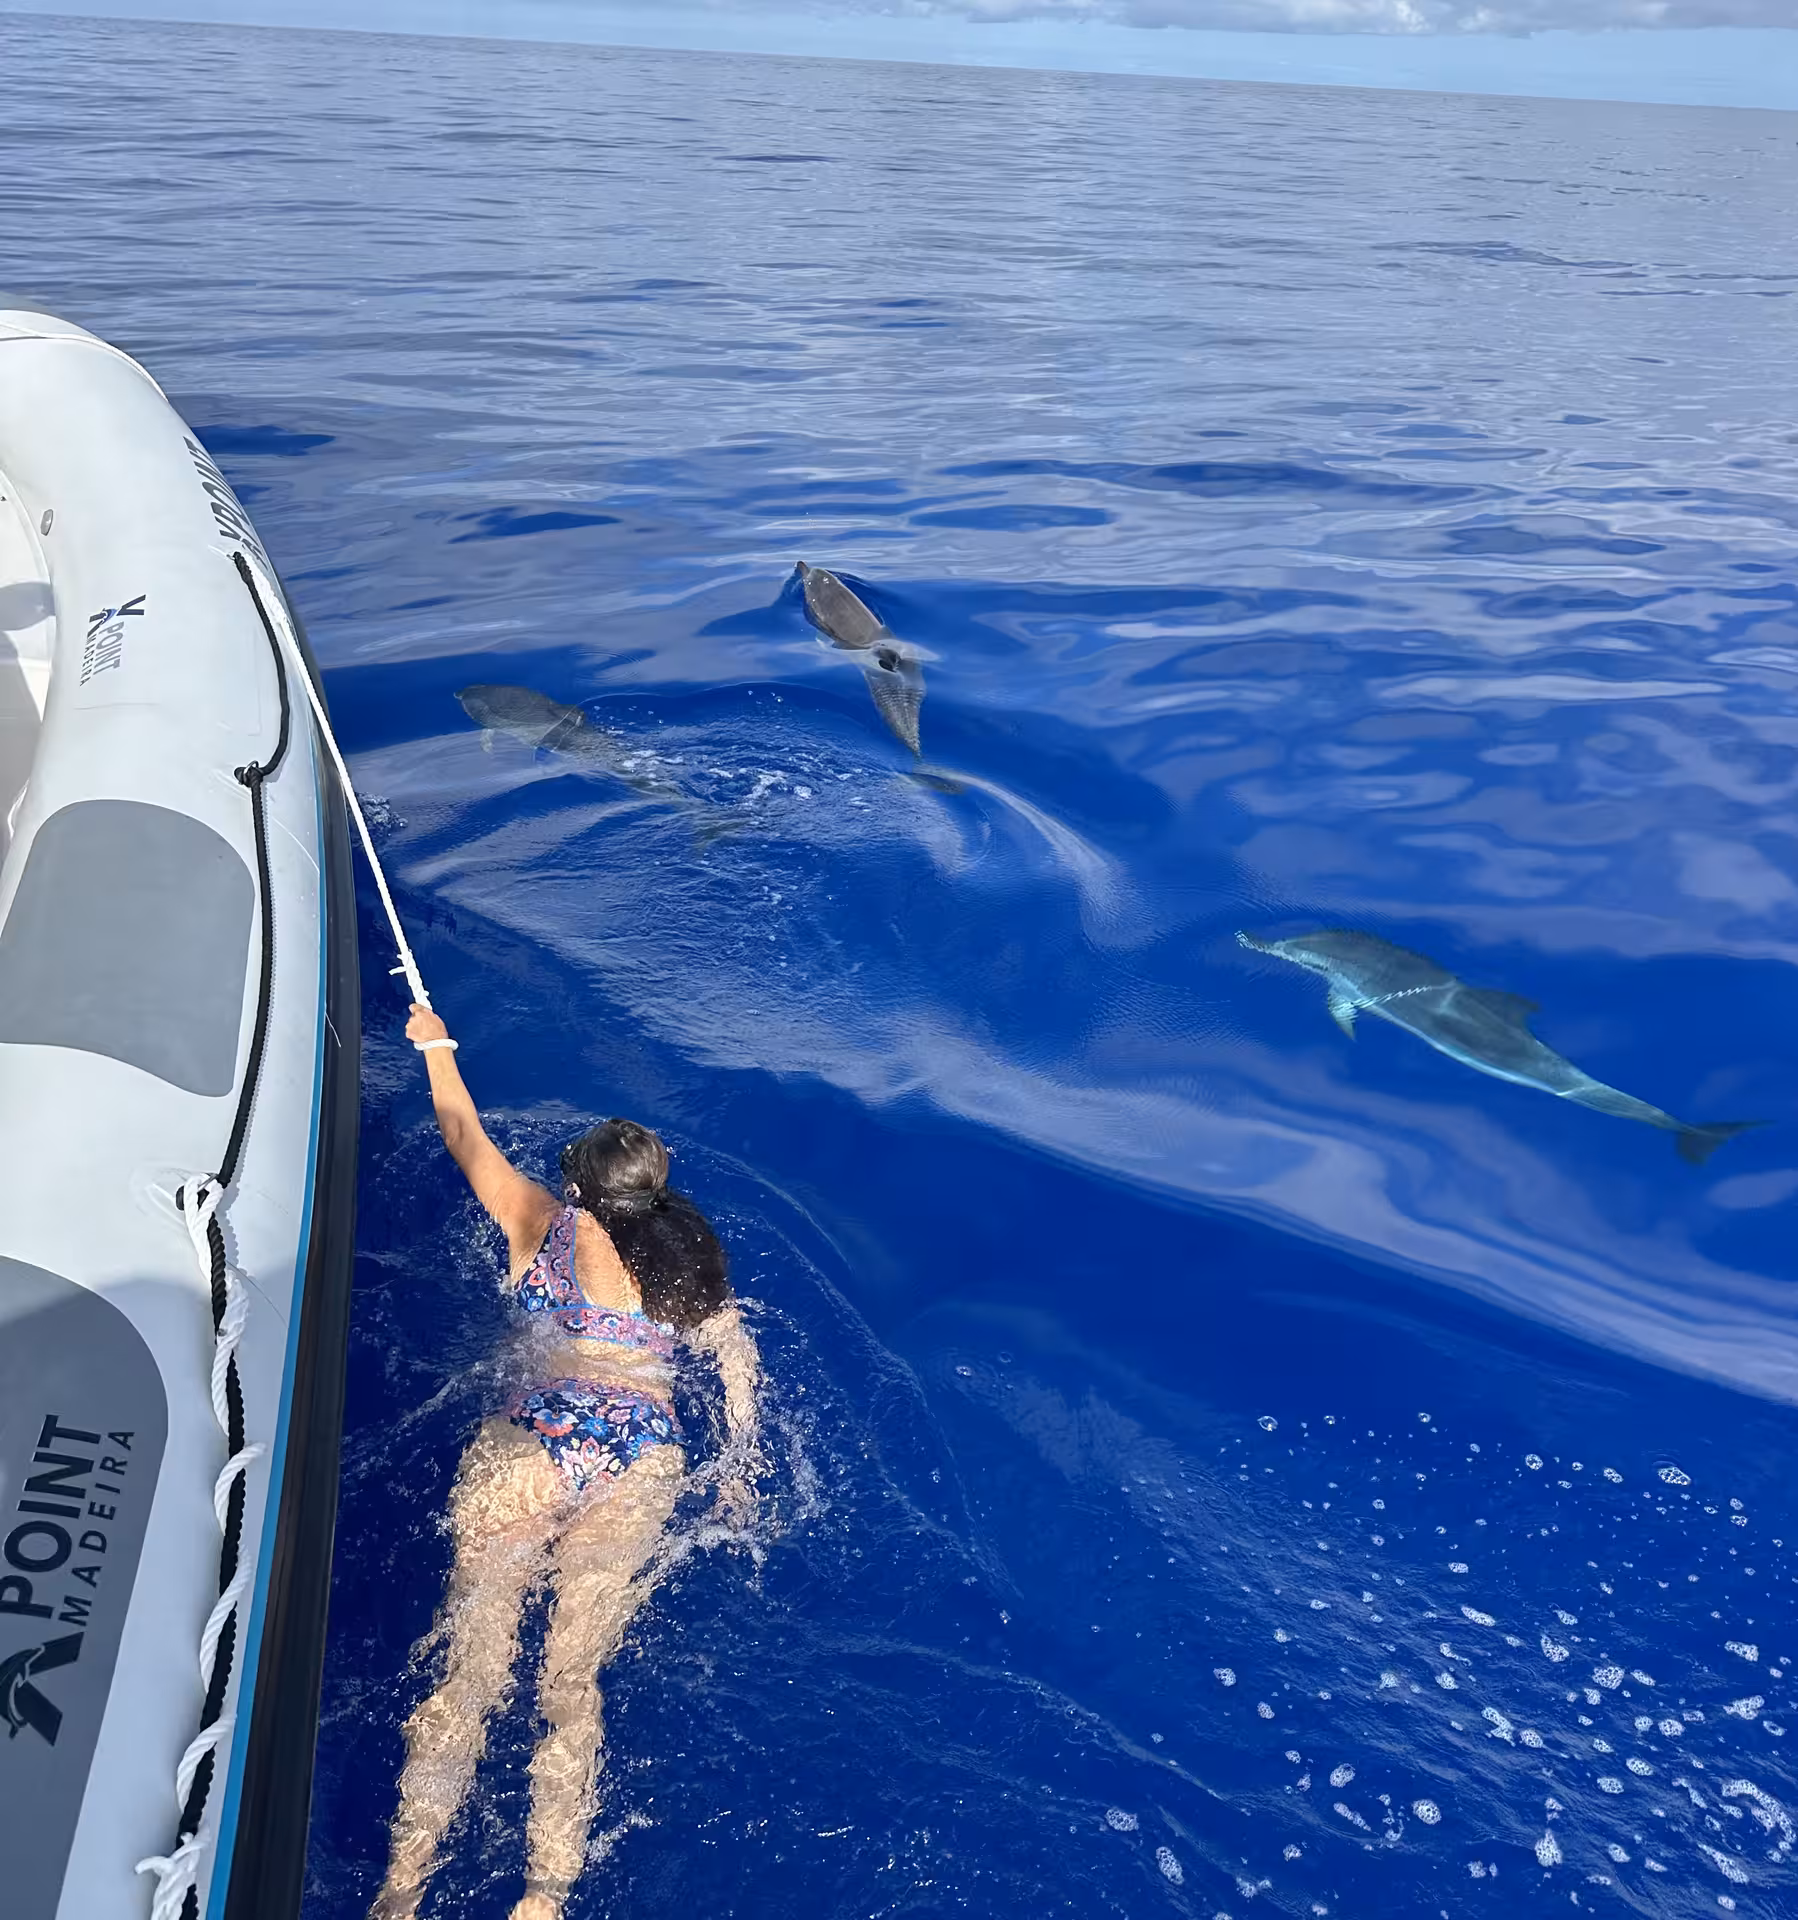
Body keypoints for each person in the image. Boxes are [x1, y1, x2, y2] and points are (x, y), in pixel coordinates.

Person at [371, 1004, 762, 1920]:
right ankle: (544, 1898)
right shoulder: (694, 1257)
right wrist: (739, 1459)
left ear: (581, 1191)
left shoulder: (539, 1224)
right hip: (640, 1459)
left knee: (471, 1667)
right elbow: (737, 1359)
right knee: (570, 1679)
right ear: (656, 1189)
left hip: (536, 1438)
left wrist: (436, 1047)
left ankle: (402, 1889)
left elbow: (463, 1132)